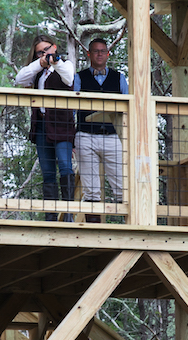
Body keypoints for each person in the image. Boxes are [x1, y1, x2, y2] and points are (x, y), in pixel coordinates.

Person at [14, 35, 76, 221]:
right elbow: (19, 78)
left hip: (62, 126)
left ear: (55, 47)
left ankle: (68, 214)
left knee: (65, 167)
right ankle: (51, 215)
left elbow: (68, 77)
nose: (44, 53)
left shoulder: (66, 65)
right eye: (40, 51)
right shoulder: (37, 71)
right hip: (41, 126)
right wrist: (40, 62)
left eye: (47, 49)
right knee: (48, 171)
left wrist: (54, 61)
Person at [73, 37, 128, 224]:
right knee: (91, 189)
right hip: (85, 136)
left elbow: (127, 108)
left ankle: (130, 226)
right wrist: (72, 138)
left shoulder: (119, 78)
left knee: (122, 186)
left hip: (113, 137)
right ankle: (94, 229)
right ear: (89, 54)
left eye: (102, 51)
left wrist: (127, 137)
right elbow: (73, 108)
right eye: (95, 51)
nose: (99, 54)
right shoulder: (79, 78)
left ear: (108, 54)